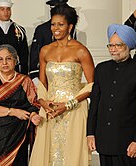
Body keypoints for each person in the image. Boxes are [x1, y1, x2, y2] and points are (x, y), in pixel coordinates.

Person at [29, 2, 94, 166]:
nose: (55, 28)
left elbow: (93, 85)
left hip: (74, 110)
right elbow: (42, 84)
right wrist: (43, 103)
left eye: (60, 24)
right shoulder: (45, 50)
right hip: (50, 111)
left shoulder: (81, 51)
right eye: (53, 24)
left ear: (70, 27)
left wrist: (68, 104)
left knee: (70, 155)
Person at [87, 24, 136, 166]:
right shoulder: (101, 69)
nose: (113, 49)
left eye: (118, 45)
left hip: (127, 142)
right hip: (103, 139)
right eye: (110, 45)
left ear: (128, 46)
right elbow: (95, 104)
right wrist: (90, 133)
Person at [0, 44, 41, 166]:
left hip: (17, 132)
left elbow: (32, 104)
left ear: (15, 60)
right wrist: (13, 111)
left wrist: (33, 114)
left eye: (8, 58)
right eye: (0, 59)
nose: (4, 63)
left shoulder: (24, 80)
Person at [29, 0, 76, 84]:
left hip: (66, 75)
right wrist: (35, 76)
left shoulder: (71, 29)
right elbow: (35, 54)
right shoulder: (42, 29)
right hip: (46, 74)